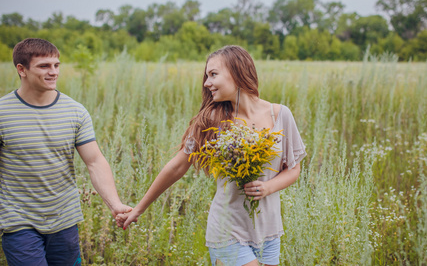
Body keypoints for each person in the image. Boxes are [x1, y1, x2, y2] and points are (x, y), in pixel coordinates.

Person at [117, 45, 307, 266]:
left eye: (213, 75)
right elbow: (178, 166)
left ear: (237, 73)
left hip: (269, 230)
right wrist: (139, 208)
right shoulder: (211, 121)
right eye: (206, 76)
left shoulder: (280, 115)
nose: (207, 83)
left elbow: (293, 169)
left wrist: (267, 188)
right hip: (228, 229)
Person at [0, 38, 132, 266]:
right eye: (44, 66)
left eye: (56, 65)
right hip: (18, 222)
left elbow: (95, 162)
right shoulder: (3, 112)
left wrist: (114, 204)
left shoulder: (75, 111)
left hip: (64, 219)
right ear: (21, 69)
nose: (53, 72)